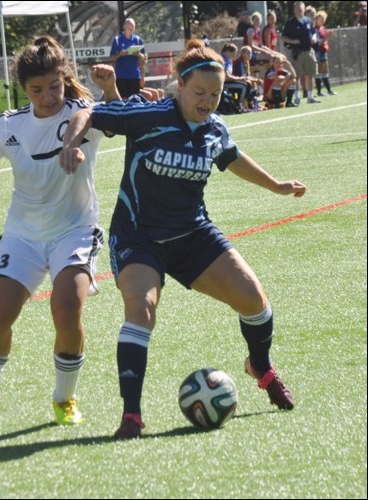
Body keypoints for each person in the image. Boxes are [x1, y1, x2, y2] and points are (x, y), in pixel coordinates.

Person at [60, 39, 307, 440]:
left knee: (254, 301)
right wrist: (71, 145)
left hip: (193, 234)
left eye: (216, 94)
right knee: (141, 310)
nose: (208, 101)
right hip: (139, 237)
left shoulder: (214, 127)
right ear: (179, 84)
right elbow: (89, 112)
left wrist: (276, 185)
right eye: (200, 93)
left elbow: (231, 157)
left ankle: (260, 366)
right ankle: (132, 416)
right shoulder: (150, 114)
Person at [0, 35, 121, 430]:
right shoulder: (9, 125)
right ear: (23, 89)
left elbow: (119, 120)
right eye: (37, 89)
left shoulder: (84, 112)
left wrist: (111, 88)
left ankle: (64, 398)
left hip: (75, 231)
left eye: (55, 85)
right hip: (23, 235)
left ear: (64, 78)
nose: (49, 96)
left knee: (66, 308)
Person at [282, 1, 320, 104]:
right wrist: (293, 41)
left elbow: (313, 32)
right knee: (296, 76)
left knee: (310, 75)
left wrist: (314, 37)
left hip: (308, 51)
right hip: (296, 53)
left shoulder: (308, 21)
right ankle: (296, 97)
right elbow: (283, 37)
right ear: (294, 10)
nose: (300, 11)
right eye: (298, 9)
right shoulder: (290, 23)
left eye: (301, 9)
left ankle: (310, 97)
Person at [110, 18, 147, 98]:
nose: (131, 30)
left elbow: (143, 61)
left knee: (135, 100)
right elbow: (112, 58)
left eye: (132, 28)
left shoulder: (137, 40)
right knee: (124, 100)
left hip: (134, 75)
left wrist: (139, 55)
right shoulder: (117, 40)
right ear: (124, 27)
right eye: (129, 28)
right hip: (121, 76)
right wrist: (119, 54)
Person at [313, 11, 337, 96]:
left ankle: (329, 90)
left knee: (325, 72)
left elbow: (324, 39)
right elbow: (318, 42)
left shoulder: (322, 28)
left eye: (323, 19)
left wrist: (329, 34)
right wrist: (327, 36)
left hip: (323, 51)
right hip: (318, 52)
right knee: (319, 72)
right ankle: (319, 91)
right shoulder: (314, 29)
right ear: (316, 20)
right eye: (320, 19)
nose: (322, 21)